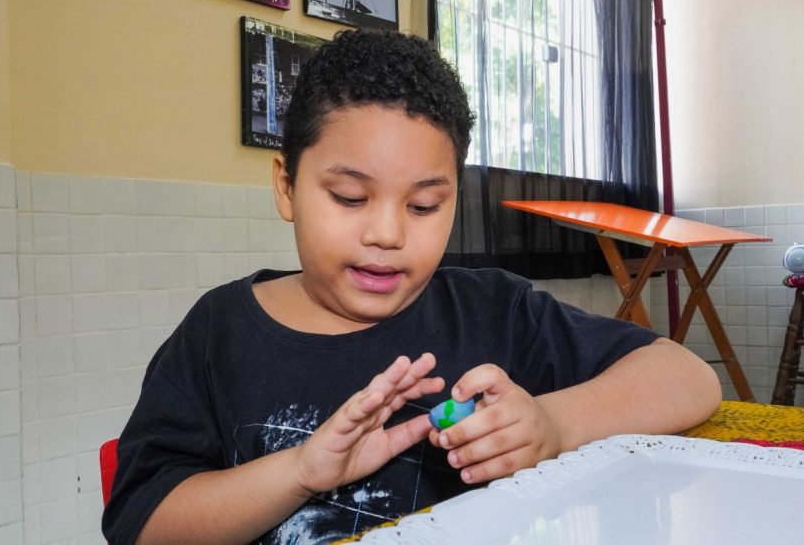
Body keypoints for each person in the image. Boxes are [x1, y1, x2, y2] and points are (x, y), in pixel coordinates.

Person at [102, 30, 721, 545]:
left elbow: (688, 378)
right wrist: (299, 472)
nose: (387, 233)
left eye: (424, 206)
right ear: (286, 188)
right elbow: (143, 525)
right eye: (350, 197)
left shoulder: (493, 311)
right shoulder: (220, 332)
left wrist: (552, 424)